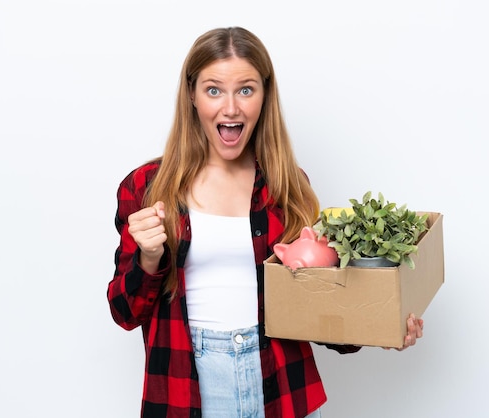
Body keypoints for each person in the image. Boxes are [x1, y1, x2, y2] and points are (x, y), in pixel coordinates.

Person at [107, 26, 424, 418]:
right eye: (213, 90)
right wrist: (149, 260)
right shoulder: (147, 187)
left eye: (245, 89)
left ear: (264, 95)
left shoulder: (288, 186)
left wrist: (382, 324)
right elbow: (124, 312)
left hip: (283, 386)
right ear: (191, 95)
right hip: (190, 388)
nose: (231, 108)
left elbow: (315, 303)